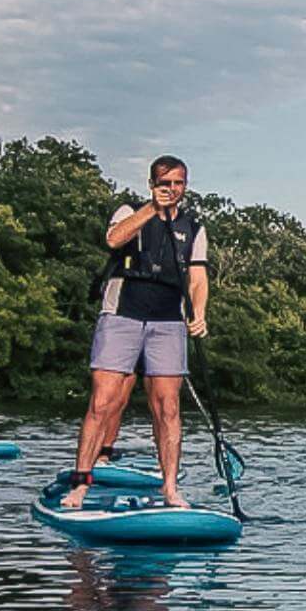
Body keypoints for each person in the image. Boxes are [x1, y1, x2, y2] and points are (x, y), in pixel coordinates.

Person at [66, 155, 210, 510]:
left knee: (168, 407)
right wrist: (151, 208)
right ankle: (81, 484)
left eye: (178, 183)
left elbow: (198, 277)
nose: (171, 189)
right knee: (103, 402)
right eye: (165, 183)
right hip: (123, 314)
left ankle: (171, 488)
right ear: (152, 184)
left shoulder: (194, 227)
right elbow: (114, 240)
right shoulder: (129, 210)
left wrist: (200, 314)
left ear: (185, 186)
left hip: (167, 321)